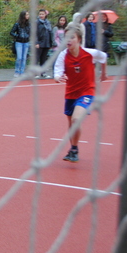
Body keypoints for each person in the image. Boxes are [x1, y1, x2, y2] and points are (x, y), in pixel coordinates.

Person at [53, 16, 107, 163]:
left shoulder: (90, 53)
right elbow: (57, 71)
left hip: (87, 92)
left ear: (79, 39)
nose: (69, 40)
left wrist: (104, 73)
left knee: (76, 119)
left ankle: (74, 149)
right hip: (71, 93)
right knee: (71, 124)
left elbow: (104, 57)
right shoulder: (63, 55)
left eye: (72, 37)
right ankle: (73, 149)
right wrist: (58, 77)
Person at [10, 11, 31, 77]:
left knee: (24, 58)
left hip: (26, 42)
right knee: (19, 58)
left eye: (28, 14)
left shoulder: (29, 24)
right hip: (19, 42)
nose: (28, 16)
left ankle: (22, 72)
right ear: (23, 15)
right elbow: (11, 32)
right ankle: (17, 71)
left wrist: (28, 36)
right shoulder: (17, 24)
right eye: (27, 14)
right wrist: (17, 36)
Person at [34, 9, 54, 78]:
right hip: (39, 42)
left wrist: (50, 43)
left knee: (44, 58)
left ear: (45, 15)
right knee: (37, 58)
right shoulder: (36, 22)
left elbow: (50, 33)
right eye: (40, 14)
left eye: (42, 14)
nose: (41, 15)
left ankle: (43, 72)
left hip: (46, 42)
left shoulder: (48, 22)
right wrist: (36, 42)